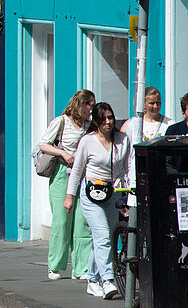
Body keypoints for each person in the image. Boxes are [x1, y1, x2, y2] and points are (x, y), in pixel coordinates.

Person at [65, 102, 133, 300]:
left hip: (113, 192)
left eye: (110, 117)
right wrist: (70, 196)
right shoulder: (87, 141)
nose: (108, 122)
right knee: (102, 236)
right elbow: (77, 170)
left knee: (104, 239)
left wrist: (131, 191)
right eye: (103, 119)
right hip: (91, 192)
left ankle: (92, 280)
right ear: (95, 121)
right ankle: (107, 280)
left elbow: (129, 167)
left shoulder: (122, 140)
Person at [38, 89, 96, 281]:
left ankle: (81, 268)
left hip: (83, 175)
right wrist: (63, 153)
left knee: (82, 223)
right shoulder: (61, 121)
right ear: (82, 105)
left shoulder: (89, 125)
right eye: (90, 105)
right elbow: (43, 144)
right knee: (62, 221)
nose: (92, 110)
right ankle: (55, 266)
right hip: (63, 173)